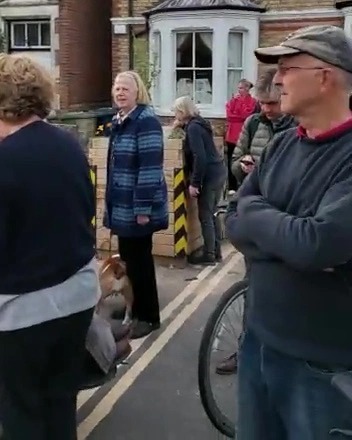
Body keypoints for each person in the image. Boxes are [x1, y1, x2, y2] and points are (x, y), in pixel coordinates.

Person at [226, 25, 352, 439]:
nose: (277, 79)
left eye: (287, 68)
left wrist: (258, 214)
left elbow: (317, 246)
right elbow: (232, 220)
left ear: (324, 75)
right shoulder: (281, 143)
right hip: (258, 342)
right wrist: (287, 237)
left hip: (321, 365)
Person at [0, 54, 98, 439]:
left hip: (22, 312)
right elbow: (86, 207)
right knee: (60, 404)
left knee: (22, 412)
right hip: (77, 297)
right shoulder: (69, 144)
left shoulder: (5, 158)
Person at [216, 68, 297, 375]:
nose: (266, 110)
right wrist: (242, 165)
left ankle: (280, 354)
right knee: (254, 287)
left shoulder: (295, 126)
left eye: (271, 104)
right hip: (257, 208)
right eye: (262, 103)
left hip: (282, 215)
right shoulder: (252, 122)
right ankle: (246, 350)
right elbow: (235, 159)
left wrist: (261, 167)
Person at [104, 70, 168, 340]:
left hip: (138, 209)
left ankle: (149, 316)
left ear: (137, 92)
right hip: (121, 207)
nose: (120, 92)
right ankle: (133, 308)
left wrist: (142, 209)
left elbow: (150, 168)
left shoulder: (146, 121)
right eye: (117, 88)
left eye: (125, 89)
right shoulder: (120, 120)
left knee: (140, 263)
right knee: (128, 262)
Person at [172, 96, 226, 265]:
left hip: (209, 175)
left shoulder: (193, 128)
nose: (174, 115)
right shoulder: (200, 123)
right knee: (213, 212)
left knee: (205, 215)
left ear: (182, 111)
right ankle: (216, 251)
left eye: (176, 111)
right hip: (218, 171)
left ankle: (209, 254)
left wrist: (195, 183)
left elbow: (199, 156)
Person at [225, 79, 257, 192]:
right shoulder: (233, 100)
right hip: (231, 135)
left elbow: (247, 116)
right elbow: (229, 115)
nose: (239, 90)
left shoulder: (253, 101)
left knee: (245, 161)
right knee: (230, 161)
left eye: (242, 88)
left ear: (248, 89)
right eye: (239, 88)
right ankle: (232, 187)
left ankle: (243, 185)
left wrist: (237, 116)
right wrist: (238, 116)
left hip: (244, 136)